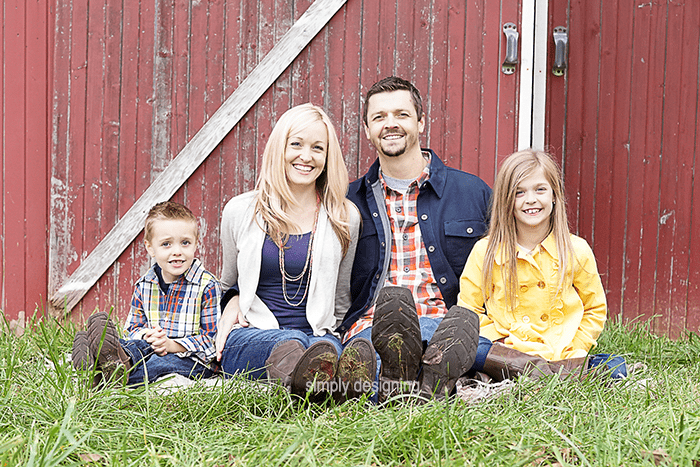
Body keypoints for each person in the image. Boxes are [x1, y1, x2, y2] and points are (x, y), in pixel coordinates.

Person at [340, 76, 492, 400]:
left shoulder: (473, 193)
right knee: (371, 354)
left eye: (402, 114)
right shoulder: (346, 202)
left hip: (447, 325)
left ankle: (399, 387)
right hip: (370, 328)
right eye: (379, 117)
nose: (390, 124)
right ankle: (432, 384)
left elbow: (513, 261)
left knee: (449, 340)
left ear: (421, 122)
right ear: (367, 129)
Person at [216, 103, 368, 400]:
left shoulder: (344, 216)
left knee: (322, 348)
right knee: (294, 343)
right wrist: (232, 301)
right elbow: (227, 282)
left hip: (318, 338)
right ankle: (323, 380)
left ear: (327, 156)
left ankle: (313, 377)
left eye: (317, 148)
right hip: (254, 336)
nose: (306, 156)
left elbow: (340, 295)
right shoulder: (240, 211)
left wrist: (331, 333)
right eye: (296, 144)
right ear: (279, 148)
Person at [458, 149, 626, 381]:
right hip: (508, 352)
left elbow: (595, 308)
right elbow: (469, 310)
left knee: (614, 365)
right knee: (470, 348)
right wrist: (498, 344)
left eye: (540, 189)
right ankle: (546, 373)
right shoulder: (486, 251)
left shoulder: (575, 249)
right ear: (507, 200)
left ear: (554, 195)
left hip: (560, 351)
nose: (531, 200)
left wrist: (575, 347)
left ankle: (541, 372)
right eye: (519, 192)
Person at [71, 201, 221, 386]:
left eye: (185, 243)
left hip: (194, 361)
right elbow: (132, 329)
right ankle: (105, 359)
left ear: (196, 244)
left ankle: (102, 376)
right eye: (166, 244)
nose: (177, 252)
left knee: (159, 363)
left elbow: (211, 341)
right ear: (150, 248)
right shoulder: (144, 285)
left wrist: (170, 345)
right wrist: (148, 335)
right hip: (150, 347)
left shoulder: (206, 286)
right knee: (131, 345)